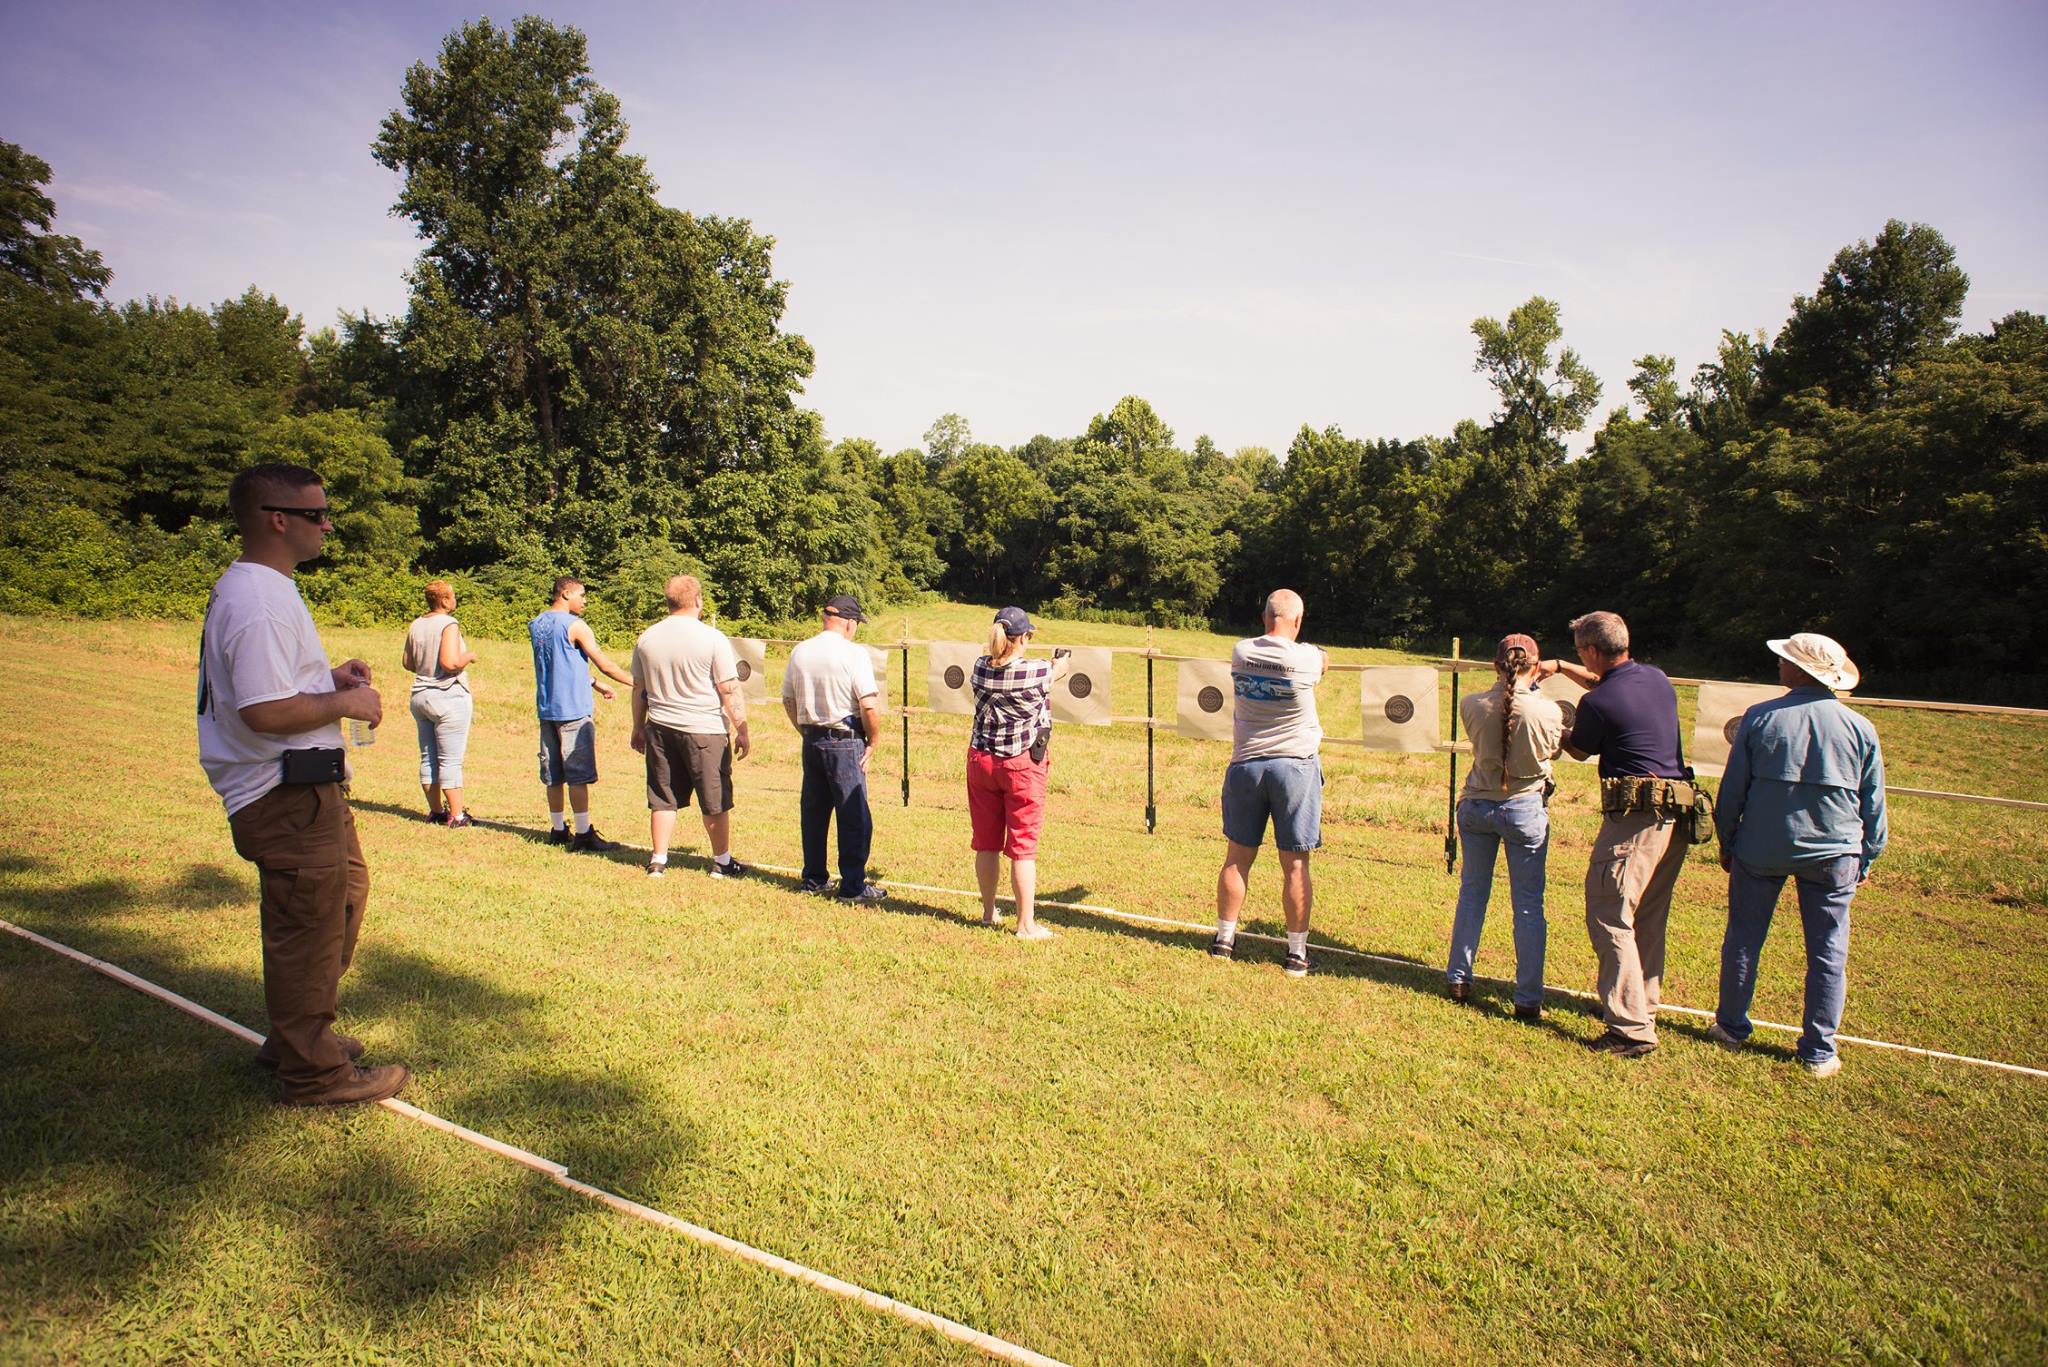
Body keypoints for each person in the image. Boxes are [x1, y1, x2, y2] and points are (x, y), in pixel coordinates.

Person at [197, 463, 408, 1106]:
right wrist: (345, 705)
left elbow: (273, 687)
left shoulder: (268, 589)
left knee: (339, 903)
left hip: (306, 789)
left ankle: (300, 1038)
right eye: (317, 514)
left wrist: (328, 679)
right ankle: (313, 1073)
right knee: (308, 924)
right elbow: (262, 712)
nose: (328, 525)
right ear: (276, 520)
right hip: (281, 793)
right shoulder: (257, 600)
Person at [1708, 633, 1886, 1078]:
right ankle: (1819, 1050)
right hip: (1835, 852)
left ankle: (1730, 1027)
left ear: (1800, 670)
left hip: (1762, 847)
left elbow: (1733, 791)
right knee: (1829, 950)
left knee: (1745, 938)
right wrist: (1866, 856)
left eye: (1785, 660)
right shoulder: (1860, 727)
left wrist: (1727, 840)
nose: (1779, 666)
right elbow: (1873, 801)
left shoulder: (1760, 718)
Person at [1536, 610, 1691, 1058]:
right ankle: (1642, 1006)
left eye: (1579, 653)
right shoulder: (1656, 679)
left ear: (1590, 650)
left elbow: (1581, 748)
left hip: (1636, 819)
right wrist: (1564, 668)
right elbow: (1607, 683)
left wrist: (1549, 720)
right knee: (1646, 917)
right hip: (1675, 813)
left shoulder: (1598, 704)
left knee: (1609, 912)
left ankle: (1629, 1029)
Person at [1445, 633, 1568, 1017]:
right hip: (1524, 808)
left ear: (1497, 665)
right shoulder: (1549, 712)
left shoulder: (1470, 704)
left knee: (1472, 894)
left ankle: (1458, 978)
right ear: (1535, 665)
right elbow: (1552, 751)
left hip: (1478, 806)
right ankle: (1528, 998)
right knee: (1529, 906)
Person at [1210, 589, 1328, 977]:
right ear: (1298, 621)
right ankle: (1296, 954)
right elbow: (1323, 662)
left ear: (1264, 618)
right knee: (1295, 863)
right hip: (1294, 768)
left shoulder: (1241, 652)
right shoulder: (1307, 658)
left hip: (1246, 765)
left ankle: (1224, 940)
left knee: (1237, 857)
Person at [629, 574, 752, 879]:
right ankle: (722, 862)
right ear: (698, 600)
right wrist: (743, 729)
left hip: (659, 726)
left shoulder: (647, 637)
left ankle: (658, 860)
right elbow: (728, 688)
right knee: (714, 798)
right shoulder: (711, 638)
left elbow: (638, 689)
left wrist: (637, 727)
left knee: (662, 796)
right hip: (704, 729)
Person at [967, 606, 1072, 941]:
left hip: (981, 762)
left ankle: (988, 913)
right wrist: (1062, 665)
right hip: (1020, 765)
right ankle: (1025, 924)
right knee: (1022, 847)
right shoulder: (1037, 672)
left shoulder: (980, 667)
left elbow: (1010, 664)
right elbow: (1055, 672)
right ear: (1024, 637)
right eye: (1028, 635)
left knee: (986, 842)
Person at [781, 594, 886, 902]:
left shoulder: (800, 650)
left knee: (813, 812)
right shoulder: (854, 654)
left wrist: (804, 730)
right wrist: (875, 740)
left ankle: (813, 878)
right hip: (846, 738)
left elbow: (788, 700)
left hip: (812, 738)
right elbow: (868, 704)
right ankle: (853, 886)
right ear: (850, 623)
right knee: (853, 814)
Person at [530, 576, 634, 852]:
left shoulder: (537, 624)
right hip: (573, 708)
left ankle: (557, 828)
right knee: (578, 774)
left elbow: (561, 665)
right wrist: (637, 683)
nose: (585, 600)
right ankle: (584, 833)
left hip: (547, 707)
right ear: (565, 594)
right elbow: (605, 663)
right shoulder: (575, 626)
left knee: (552, 772)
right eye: (581, 595)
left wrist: (596, 685)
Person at [402, 579, 477, 828]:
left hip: (420, 695)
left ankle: (436, 811)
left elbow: (407, 662)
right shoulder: (449, 624)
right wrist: (468, 656)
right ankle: (457, 815)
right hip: (447, 696)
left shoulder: (417, 623)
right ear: (444, 600)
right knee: (450, 760)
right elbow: (450, 663)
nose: (455, 600)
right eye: (453, 596)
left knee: (428, 757)